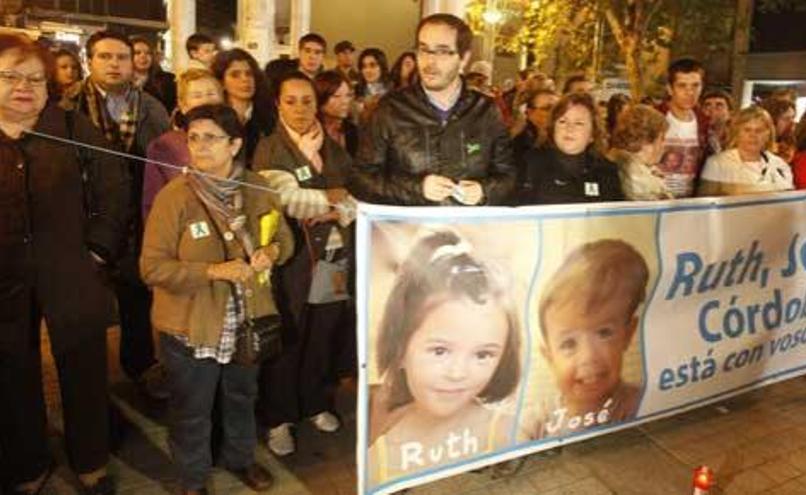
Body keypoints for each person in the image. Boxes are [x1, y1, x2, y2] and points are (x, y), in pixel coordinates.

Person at [141, 103, 294, 495]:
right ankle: (193, 479)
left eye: (211, 138)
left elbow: (284, 239)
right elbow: (152, 268)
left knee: (242, 397)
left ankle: (240, 459)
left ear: (235, 144)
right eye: (194, 138)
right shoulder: (175, 197)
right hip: (191, 326)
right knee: (191, 410)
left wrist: (270, 253)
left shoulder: (259, 188)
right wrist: (214, 271)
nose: (200, 146)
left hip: (247, 320)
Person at [0, 33, 129, 495]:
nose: (23, 86)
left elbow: (114, 191)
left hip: (71, 268)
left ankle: (91, 460)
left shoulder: (73, 129)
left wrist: (98, 249)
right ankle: (27, 463)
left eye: (34, 77)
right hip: (5, 274)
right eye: (10, 76)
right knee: (11, 369)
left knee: (84, 366)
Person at [252, 71, 358, 458]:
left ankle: (314, 403)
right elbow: (284, 200)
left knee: (323, 334)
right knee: (289, 338)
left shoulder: (334, 148)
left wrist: (334, 207)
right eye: (291, 101)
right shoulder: (269, 148)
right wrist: (335, 199)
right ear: (278, 104)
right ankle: (279, 418)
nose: (300, 108)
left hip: (333, 258)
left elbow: (358, 199)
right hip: (291, 262)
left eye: (308, 100)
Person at [60, 30, 171, 399]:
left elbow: (165, 164)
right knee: (85, 303)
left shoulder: (151, 107)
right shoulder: (67, 106)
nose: (114, 64)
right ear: (89, 61)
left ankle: (138, 368)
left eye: (121, 57)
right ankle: (90, 388)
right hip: (84, 218)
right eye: (105, 57)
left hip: (137, 219)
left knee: (136, 298)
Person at [368, 230, 521, 485]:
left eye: (483, 354)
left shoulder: (505, 429)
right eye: (440, 351)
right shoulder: (386, 417)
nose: (457, 373)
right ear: (401, 346)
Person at [349, 14, 515, 206]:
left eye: (442, 52)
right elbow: (360, 179)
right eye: (423, 50)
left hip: (467, 232)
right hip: (408, 232)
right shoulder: (391, 109)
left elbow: (508, 177)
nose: (429, 62)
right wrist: (417, 188)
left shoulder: (486, 111)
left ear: (464, 59)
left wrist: (484, 191)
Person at [521, 240, 647, 440]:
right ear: (549, 357)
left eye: (604, 333)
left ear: (628, 334)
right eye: (569, 344)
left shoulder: (641, 403)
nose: (589, 356)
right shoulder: (537, 420)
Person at [143, 69, 224, 219]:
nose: (206, 101)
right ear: (183, 105)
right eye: (197, 96)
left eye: (211, 94)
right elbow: (153, 203)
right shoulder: (164, 146)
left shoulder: (235, 139)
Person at [520, 93, 624, 204]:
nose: (569, 129)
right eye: (562, 121)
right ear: (552, 129)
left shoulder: (606, 171)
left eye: (579, 123)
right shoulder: (529, 165)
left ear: (593, 134)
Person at [698, 105, 793, 196]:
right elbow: (706, 205)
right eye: (747, 130)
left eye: (759, 130)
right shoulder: (717, 163)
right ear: (737, 132)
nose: (753, 135)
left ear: (768, 134)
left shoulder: (780, 165)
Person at [656, 58, 710, 198]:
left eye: (695, 86)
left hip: (687, 201)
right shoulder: (655, 116)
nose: (689, 92)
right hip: (653, 198)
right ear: (670, 88)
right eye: (682, 86)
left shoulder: (704, 121)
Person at [212, 48, 276, 165]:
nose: (245, 79)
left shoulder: (270, 115)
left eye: (249, 74)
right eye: (235, 75)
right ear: (221, 83)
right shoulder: (215, 118)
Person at [606, 104, 672, 201]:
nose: (664, 145)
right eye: (662, 139)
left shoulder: (610, 162)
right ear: (646, 143)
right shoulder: (643, 183)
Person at [315, 70, 358, 157]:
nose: (344, 101)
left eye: (348, 95)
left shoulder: (353, 131)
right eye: (337, 96)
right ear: (321, 98)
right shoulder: (312, 132)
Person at [131, 36, 177, 113]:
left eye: (148, 53)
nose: (143, 56)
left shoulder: (167, 80)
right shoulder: (121, 81)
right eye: (137, 53)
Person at [354, 48, 391, 123]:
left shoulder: (392, 91)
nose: (368, 70)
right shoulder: (356, 91)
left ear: (382, 67)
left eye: (373, 65)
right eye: (364, 66)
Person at [760, 97, 797, 162]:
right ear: (772, 120)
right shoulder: (757, 145)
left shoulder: (788, 144)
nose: (792, 123)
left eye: (793, 118)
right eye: (786, 119)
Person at [700, 89, 733, 156]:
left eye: (719, 106)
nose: (712, 110)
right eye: (707, 106)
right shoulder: (695, 137)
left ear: (730, 113)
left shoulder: (738, 138)